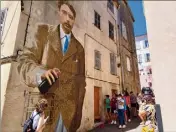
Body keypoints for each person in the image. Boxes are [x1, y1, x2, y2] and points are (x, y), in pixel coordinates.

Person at [17, 2, 86, 132]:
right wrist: (40, 73)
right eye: (64, 13)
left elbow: (81, 83)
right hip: (44, 110)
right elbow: (24, 61)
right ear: (58, 13)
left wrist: (78, 115)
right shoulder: (43, 32)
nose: (67, 19)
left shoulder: (79, 49)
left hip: (68, 115)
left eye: (71, 17)